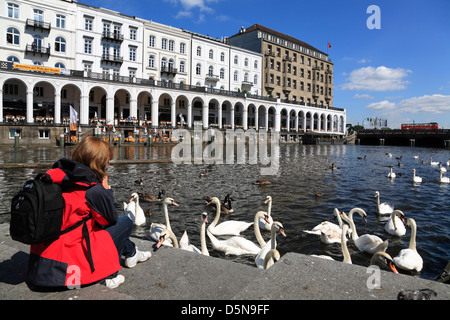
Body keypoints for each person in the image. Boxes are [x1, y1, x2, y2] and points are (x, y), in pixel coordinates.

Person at [27, 136, 151, 290]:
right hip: (66, 269)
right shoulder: (92, 189)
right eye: (107, 161)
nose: (109, 164)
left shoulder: (55, 177)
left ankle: (132, 252)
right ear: (99, 163)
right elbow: (110, 220)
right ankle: (108, 275)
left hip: (40, 264)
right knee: (124, 222)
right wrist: (107, 191)